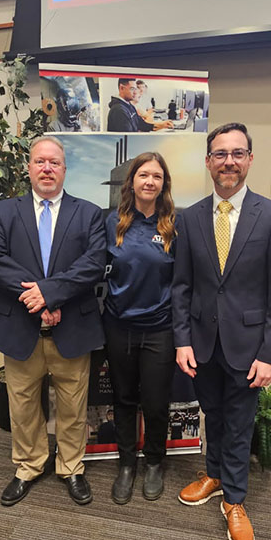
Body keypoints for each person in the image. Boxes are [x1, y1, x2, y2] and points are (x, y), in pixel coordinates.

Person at [172, 122, 271, 540]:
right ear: (208, 162)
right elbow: (181, 286)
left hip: (248, 347)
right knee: (213, 415)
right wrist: (182, 340)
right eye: (220, 154)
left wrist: (270, 354)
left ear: (249, 160)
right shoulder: (188, 218)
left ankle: (235, 501)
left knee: (240, 424)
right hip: (202, 344)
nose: (228, 162)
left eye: (237, 153)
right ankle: (214, 473)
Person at [0, 136, 106, 507]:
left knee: (73, 407)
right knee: (22, 407)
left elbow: (93, 263)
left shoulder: (89, 213)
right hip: (20, 328)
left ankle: (71, 467)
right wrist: (41, 300)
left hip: (71, 328)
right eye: (40, 162)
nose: (47, 168)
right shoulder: (4, 212)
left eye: (55, 162)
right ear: (29, 168)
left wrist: (51, 294)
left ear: (65, 170)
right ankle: (28, 465)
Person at [104, 152, 177, 504]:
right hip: (118, 327)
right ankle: (127, 464)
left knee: (156, 403)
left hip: (160, 330)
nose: (150, 181)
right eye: (143, 175)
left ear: (164, 184)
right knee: (124, 399)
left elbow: (184, 281)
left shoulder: (173, 226)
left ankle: (153, 463)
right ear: (131, 181)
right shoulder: (112, 222)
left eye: (157, 176)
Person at [107, 79, 172, 132]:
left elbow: (142, 125)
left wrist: (163, 125)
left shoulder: (129, 106)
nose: (135, 92)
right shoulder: (118, 110)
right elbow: (129, 137)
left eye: (135, 89)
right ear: (121, 88)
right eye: (132, 89)